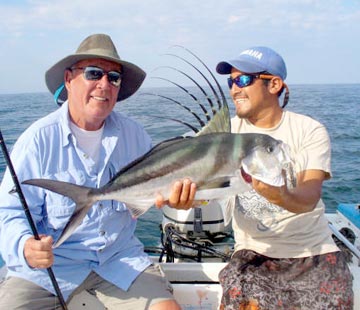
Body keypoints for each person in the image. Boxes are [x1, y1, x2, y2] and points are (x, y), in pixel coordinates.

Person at [0, 33, 195, 310]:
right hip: (52, 267)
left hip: (119, 260)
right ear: (69, 79)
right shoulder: (38, 139)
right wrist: (25, 247)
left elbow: (158, 190)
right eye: (94, 73)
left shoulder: (135, 135)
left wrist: (180, 199)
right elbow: (9, 211)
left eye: (113, 77)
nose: (104, 84)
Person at [214, 47, 354, 309]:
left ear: (274, 84)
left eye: (244, 80)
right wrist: (184, 198)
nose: (234, 89)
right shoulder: (224, 132)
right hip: (252, 252)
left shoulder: (309, 130)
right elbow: (194, 176)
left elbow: (308, 198)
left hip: (313, 251)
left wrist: (278, 194)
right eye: (231, 81)